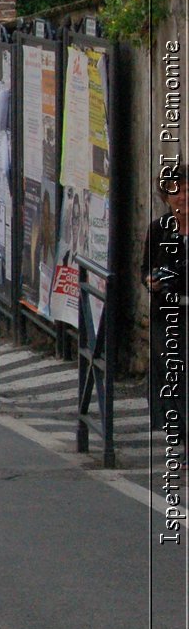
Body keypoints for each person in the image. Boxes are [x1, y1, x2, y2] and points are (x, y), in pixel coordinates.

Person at [144, 166, 189, 431]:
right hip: (168, 313)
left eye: (186, 190)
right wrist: (150, 280)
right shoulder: (159, 230)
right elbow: (144, 268)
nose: (182, 197)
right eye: (176, 192)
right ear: (165, 197)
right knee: (175, 378)